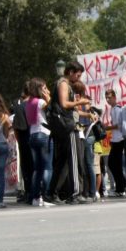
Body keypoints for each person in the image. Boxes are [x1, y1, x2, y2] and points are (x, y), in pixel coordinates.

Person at [50, 61, 89, 205]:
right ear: (71, 72)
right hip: (68, 127)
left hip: (64, 126)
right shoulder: (64, 84)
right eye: (78, 75)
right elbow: (64, 104)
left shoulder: (65, 84)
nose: (78, 78)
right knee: (74, 160)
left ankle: (52, 192)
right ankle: (75, 193)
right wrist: (80, 102)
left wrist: (86, 114)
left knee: (62, 162)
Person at [25, 78, 53, 207]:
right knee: (47, 167)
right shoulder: (40, 101)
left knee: (37, 169)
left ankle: (35, 196)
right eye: (44, 88)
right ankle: (45, 195)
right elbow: (52, 107)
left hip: (32, 134)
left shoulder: (29, 102)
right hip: (43, 133)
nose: (46, 90)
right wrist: (48, 97)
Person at [10, 86, 33, 204]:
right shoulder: (38, 104)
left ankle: (28, 192)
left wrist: (19, 141)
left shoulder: (19, 107)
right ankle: (37, 192)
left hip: (24, 139)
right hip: (35, 136)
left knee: (26, 168)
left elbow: (16, 127)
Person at [104, 89, 126, 197]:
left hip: (119, 140)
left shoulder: (117, 109)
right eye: (106, 98)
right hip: (115, 139)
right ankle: (121, 186)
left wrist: (106, 127)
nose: (108, 100)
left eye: (109, 97)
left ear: (114, 97)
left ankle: (121, 187)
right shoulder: (113, 109)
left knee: (115, 164)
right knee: (113, 164)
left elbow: (118, 125)